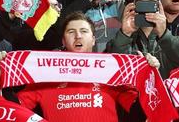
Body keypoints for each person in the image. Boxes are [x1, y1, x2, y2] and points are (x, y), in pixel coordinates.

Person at [17, 12, 154, 121]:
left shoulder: (110, 71)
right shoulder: (46, 75)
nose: (78, 36)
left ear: (93, 39)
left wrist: (146, 79)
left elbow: (139, 113)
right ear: (63, 41)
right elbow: (12, 109)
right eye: (71, 32)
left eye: (84, 31)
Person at [106, 0, 179, 78]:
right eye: (140, 3)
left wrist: (164, 34)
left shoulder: (178, 42)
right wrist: (125, 34)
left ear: (160, 7)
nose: (145, 9)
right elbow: (113, 69)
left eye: (150, 3)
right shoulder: (120, 41)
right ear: (131, 7)